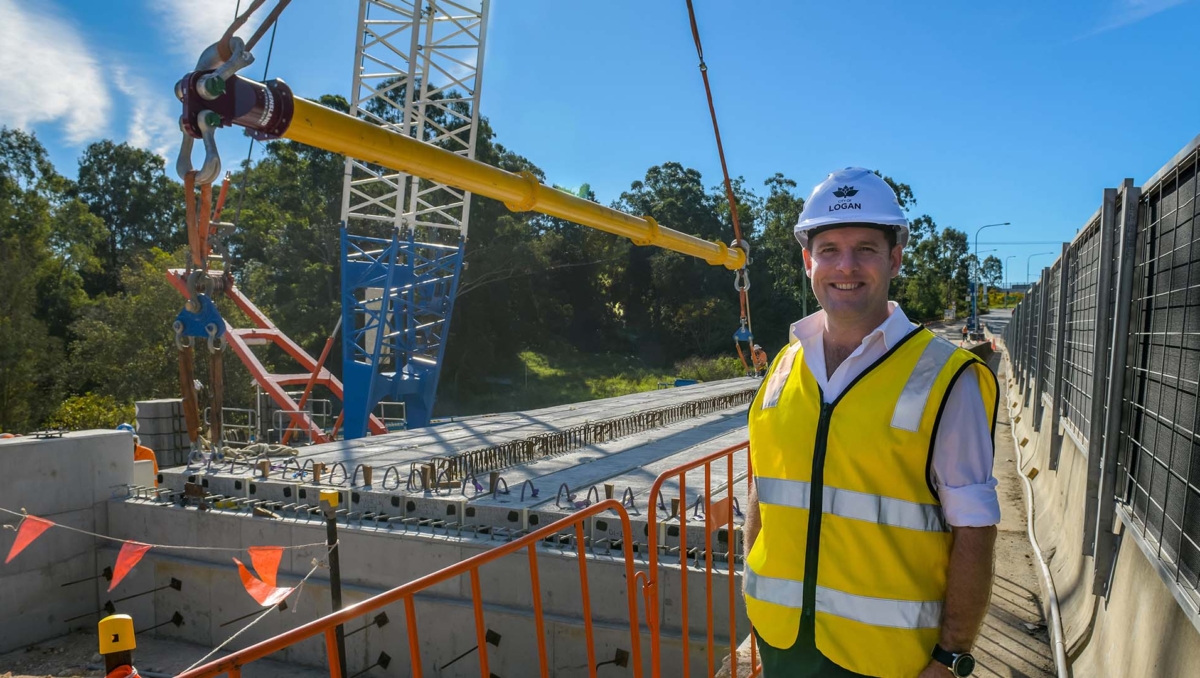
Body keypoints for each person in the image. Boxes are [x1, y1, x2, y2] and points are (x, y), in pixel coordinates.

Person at [742, 168, 999, 678]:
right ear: (807, 259)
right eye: (830, 248)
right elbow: (761, 489)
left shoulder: (948, 378)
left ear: (895, 257)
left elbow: (976, 529)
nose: (845, 266)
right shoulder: (784, 367)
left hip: (887, 661)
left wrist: (951, 656)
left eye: (865, 248)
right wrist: (755, 605)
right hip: (782, 646)